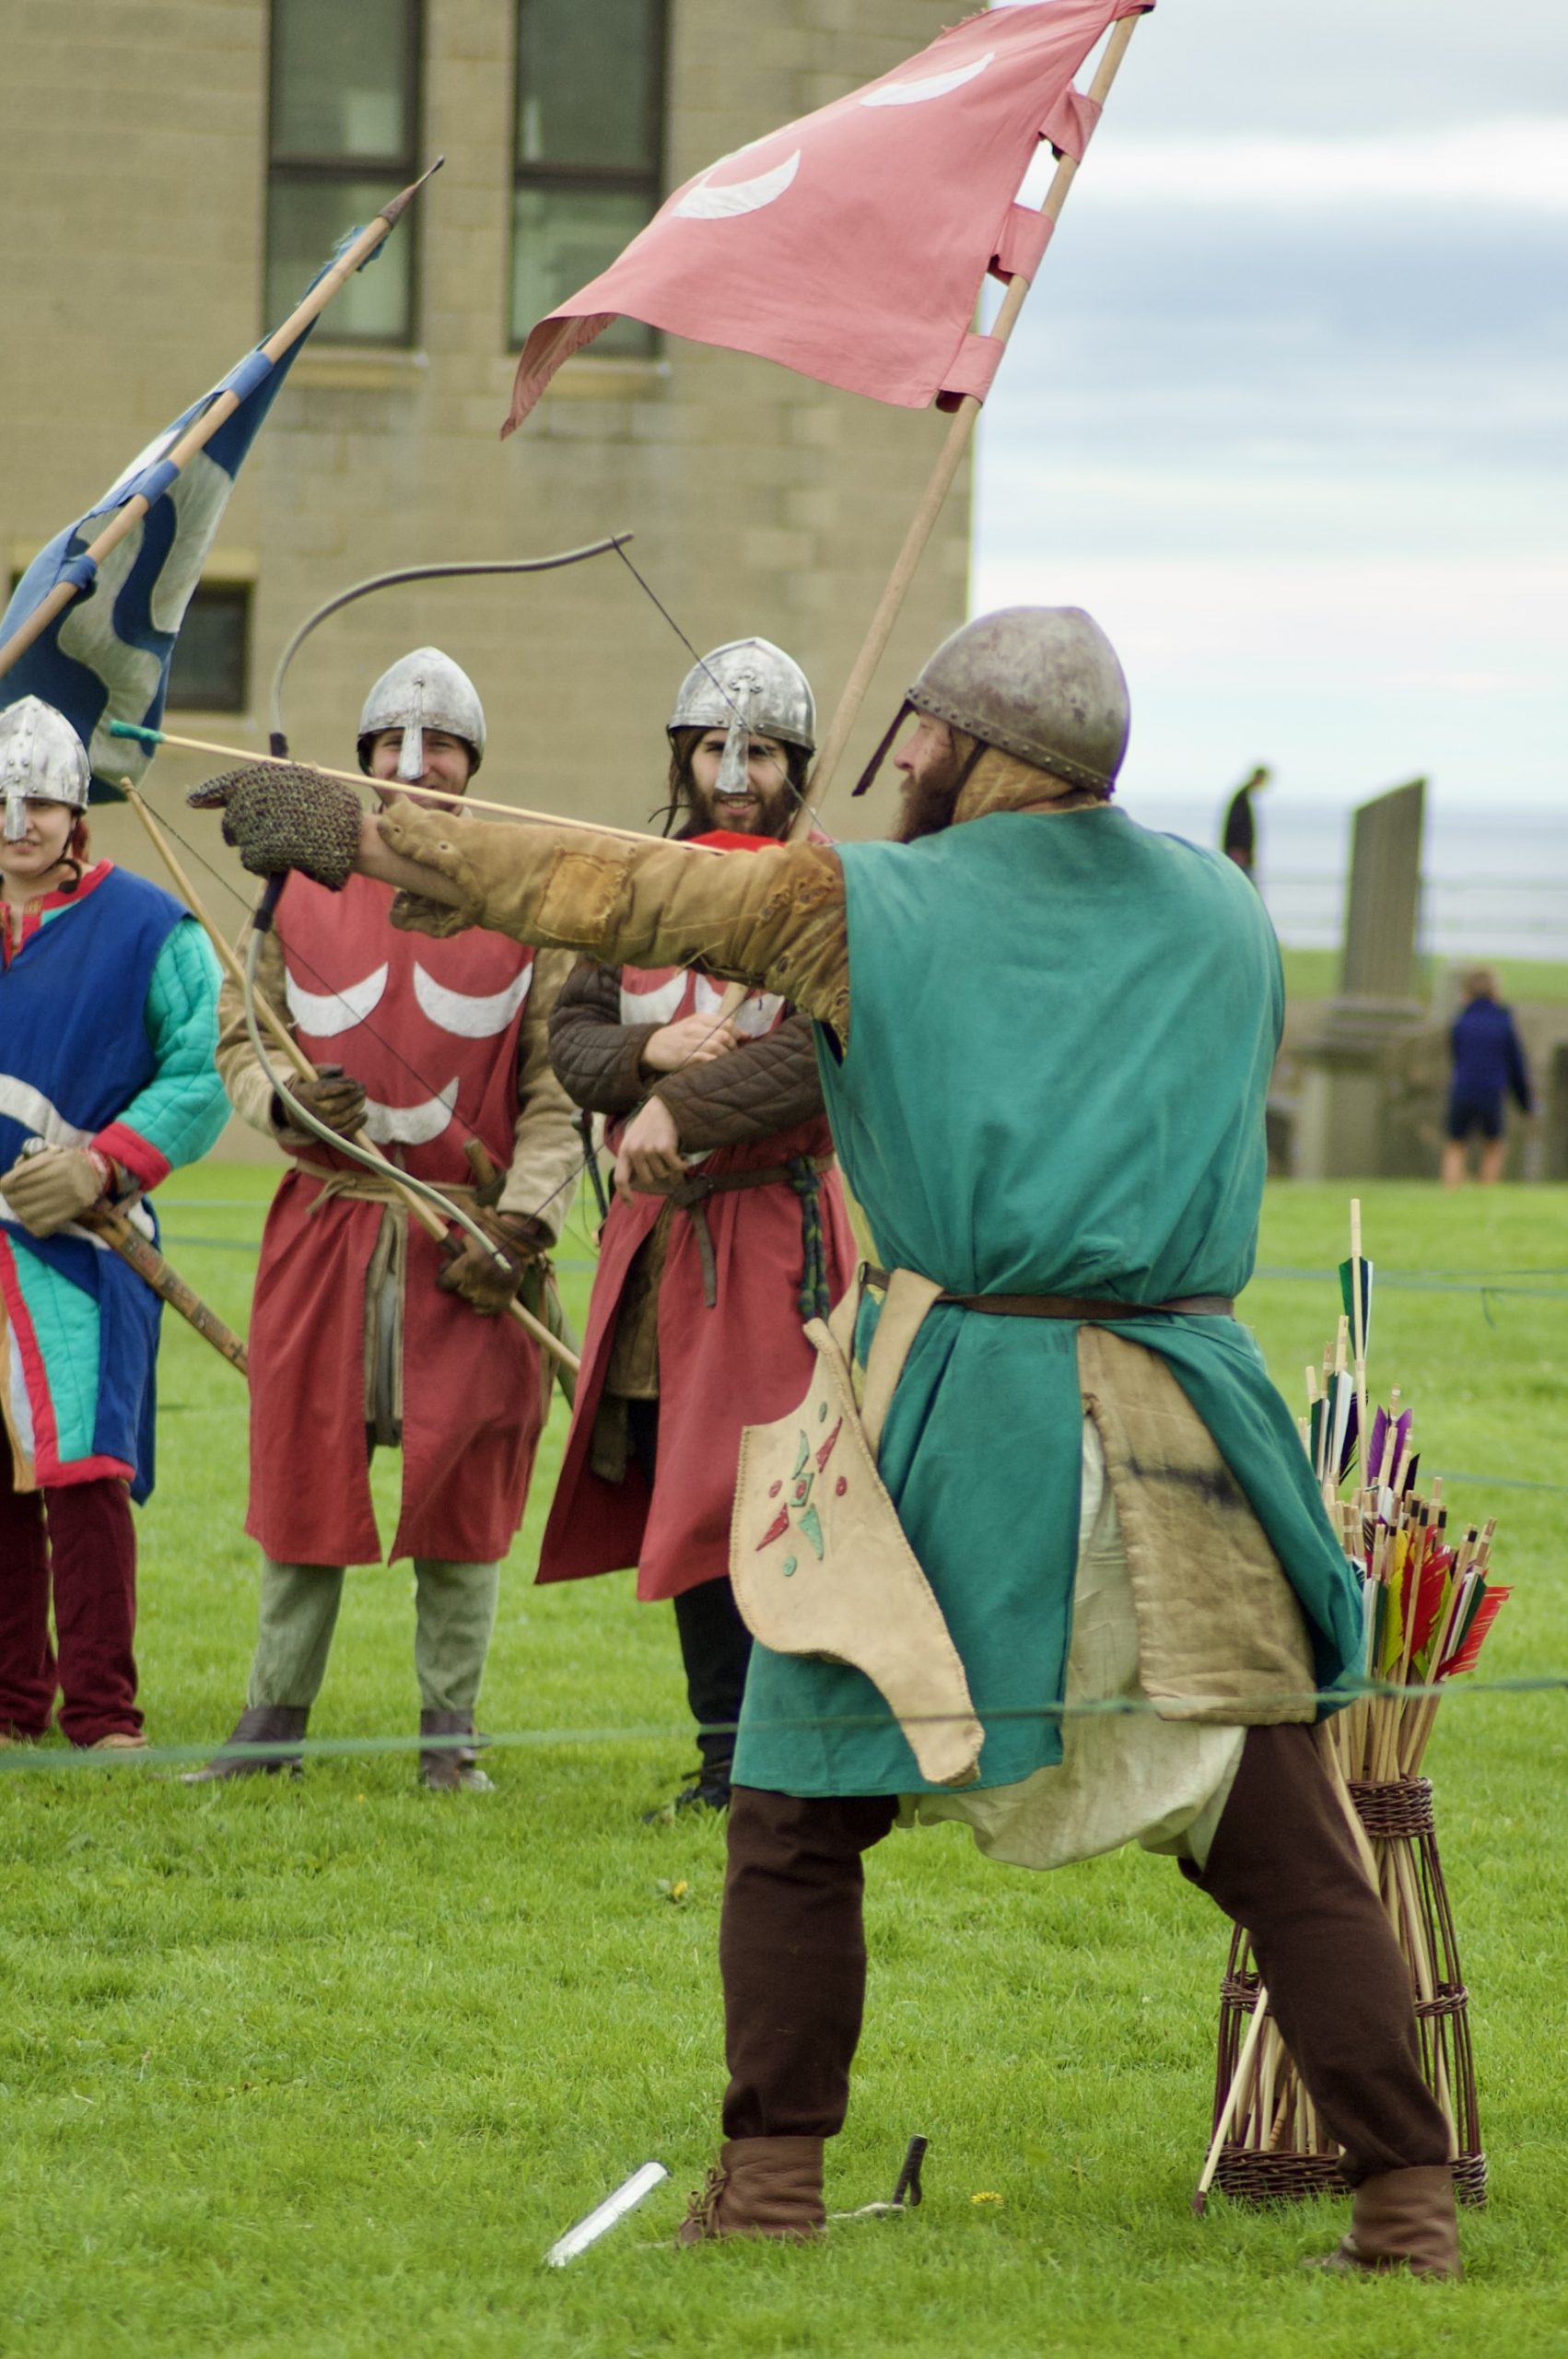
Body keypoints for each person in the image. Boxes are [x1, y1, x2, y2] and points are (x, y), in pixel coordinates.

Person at [200, 606, 1462, 2278]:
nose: (902, 764)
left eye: (921, 738)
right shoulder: (1228, 910)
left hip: (970, 1417)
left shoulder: (864, 905)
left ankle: (776, 2183)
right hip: (1193, 1421)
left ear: (977, 749)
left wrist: (367, 833)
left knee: (791, 1807)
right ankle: (1407, 2207)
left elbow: (620, 892)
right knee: (1279, 1825)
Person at [188, 650, 580, 1790]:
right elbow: (240, 1034)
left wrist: (524, 1224)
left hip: (471, 1237)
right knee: (304, 1464)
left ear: (474, 765)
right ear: (360, 762)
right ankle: (274, 1722)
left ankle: (446, 1735)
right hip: (331, 1216)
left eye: (440, 746)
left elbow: (557, 1092)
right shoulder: (294, 884)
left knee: (467, 1474)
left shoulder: (529, 894)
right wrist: (285, 1096)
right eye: (392, 748)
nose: (416, 765)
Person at [541, 641, 857, 1814]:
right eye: (716, 747)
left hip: (778, 1236)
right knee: (684, 1484)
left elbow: (817, 1061)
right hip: (665, 1238)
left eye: (761, 750)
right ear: (683, 755)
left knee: (776, 1495)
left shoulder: (822, 894)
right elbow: (572, 1041)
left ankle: (790, 1754)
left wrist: (681, 1101)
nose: (735, 772)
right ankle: (726, 1757)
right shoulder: (638, 883)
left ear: (796, 766)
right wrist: (645, 1055)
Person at [0, 696, 227, 1751]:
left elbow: (203, 1071)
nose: (19, 823)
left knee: (84, 1471)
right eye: (4, 802)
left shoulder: (145, 926)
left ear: (75, 808)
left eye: (41, 800)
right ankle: (10, 1701)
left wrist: (102, 1160)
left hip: (85, 1245)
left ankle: (102, 1713)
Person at [1441, 966, 1532, 1189]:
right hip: (1491, 1090)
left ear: (1466, 993)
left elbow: (1455, 1055)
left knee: (1456, 1143)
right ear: (1495, 992)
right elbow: (1516, 1065)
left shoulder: (1460, 1022)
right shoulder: (1503, 1023)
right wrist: (1525, 1102)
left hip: (1462, 1088)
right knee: (1493, 1144)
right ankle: (1487, 1189)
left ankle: (1450, 1188)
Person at [1222, 764, 1270, 880]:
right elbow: (1236, 826)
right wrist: (1237, 850)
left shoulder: (1244, 797)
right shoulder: (1242, 798)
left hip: (1241, 853)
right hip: (1239, 854)